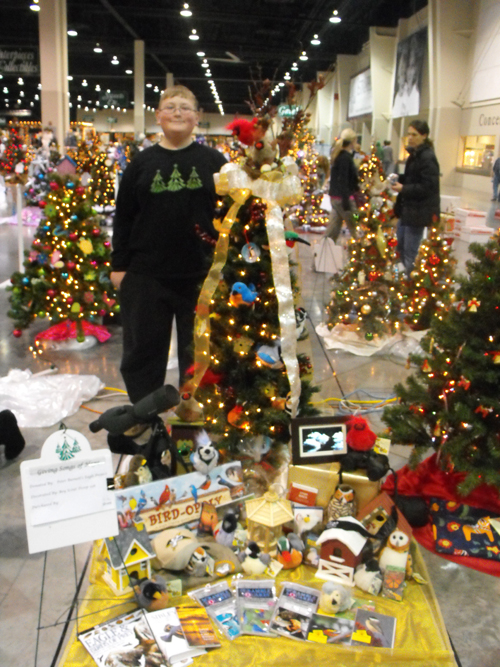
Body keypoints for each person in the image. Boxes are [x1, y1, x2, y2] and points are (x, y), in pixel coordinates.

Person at [110, 85, 227, 403]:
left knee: (200, 352)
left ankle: (196, 411)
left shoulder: (214, 160)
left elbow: (232, 210)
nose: (178, 112)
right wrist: (119, 266)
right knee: (143, 351)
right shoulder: (141, 164)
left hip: (201, 275)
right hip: (146, 275)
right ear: (158, 115)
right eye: (171, 106)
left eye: (185, 107)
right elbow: (124, 217)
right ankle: (145, 413)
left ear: (197, 118)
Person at [392, 120, 440, 276]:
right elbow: (413, 178)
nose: (410, 138)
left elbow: (428, 187)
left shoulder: (427, 157)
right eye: (409, 134)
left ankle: (408, 285)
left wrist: (403, 188)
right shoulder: (414, 154)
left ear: (424, 136)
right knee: (399, 248)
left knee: (410, 252)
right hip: (408, 210)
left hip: (418, 212)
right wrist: (399, 178)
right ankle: (399, 280)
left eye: (414, 134)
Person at [325, 128, 361, 243]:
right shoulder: (345, 158)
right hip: (344, 199)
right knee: (356, 223)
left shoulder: (338, 155)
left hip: (335, 199)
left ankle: (321, 253)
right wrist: (347, 201)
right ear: (352, 141)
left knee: (332, 230)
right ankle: (362, 251)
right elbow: (345, 180)